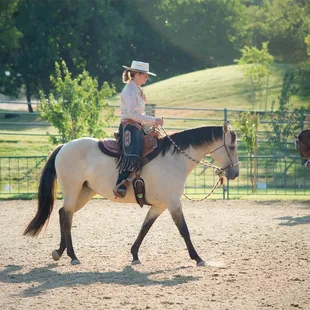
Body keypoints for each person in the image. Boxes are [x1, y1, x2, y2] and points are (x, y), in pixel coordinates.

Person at [113, 60, 164, 198]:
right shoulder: (129, 90)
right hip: (129, 126)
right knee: (133, 153)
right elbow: (132, 114)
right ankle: (121, 183)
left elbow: (139, 114)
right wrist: (154, 120)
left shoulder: (136, 89)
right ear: (137, 75)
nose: (147, 78)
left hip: (137, 125)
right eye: (145, 75)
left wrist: (152, 122)